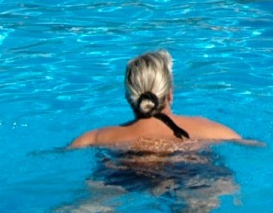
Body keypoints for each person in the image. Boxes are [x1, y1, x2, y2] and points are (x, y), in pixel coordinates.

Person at [68, 49, 241, 150]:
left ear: (128, 97)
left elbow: (64, 152)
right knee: (206, 191)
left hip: (125, 168)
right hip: (187, 165)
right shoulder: (209, 129)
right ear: (169, 94)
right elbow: (251, 145)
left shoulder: (96, 137)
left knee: (102, 190)